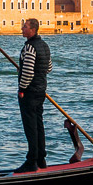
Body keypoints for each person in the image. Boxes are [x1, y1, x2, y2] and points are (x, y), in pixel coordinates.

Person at [14, 18, 53, 173]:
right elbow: (48, 68)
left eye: (24, 27)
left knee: (31, 127)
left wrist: (22, 89)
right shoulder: (44, 45)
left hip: (30, 93)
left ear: (32, 30)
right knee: (39, 125)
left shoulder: (29, 47)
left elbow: (28, 72)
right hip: (41, 90)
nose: (22, 29)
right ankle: (41, 159)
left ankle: (31, 161)